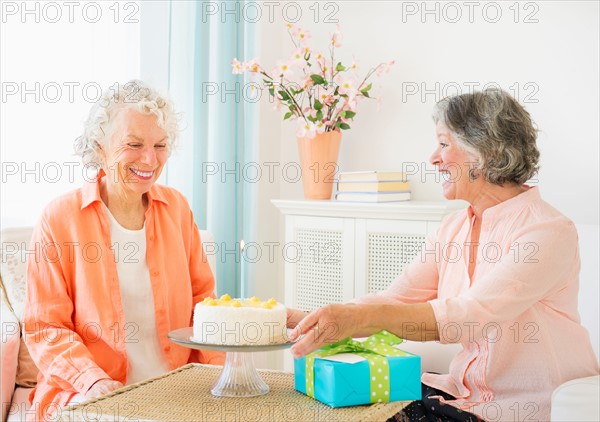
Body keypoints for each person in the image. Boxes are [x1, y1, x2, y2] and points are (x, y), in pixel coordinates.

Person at [287, 88, 599, 421]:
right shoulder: (452, 229)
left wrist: (359, 319)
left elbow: (469, 316)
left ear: (485, 152)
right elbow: (396, 300)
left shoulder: (547, 231)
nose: (433, 158)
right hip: (460, 398)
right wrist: (315, 318)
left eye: (444, 144)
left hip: (523, 408)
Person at [24, 80, 224, 421]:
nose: (150, 159)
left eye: (160, 145)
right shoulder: (58, 218)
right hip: (87, 390)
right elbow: (45, 327)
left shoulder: (176, 208)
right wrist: (92, 381)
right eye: (134, 144)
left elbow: (203, 304)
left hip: (173, 386)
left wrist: (222, 376)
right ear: (100, 147)